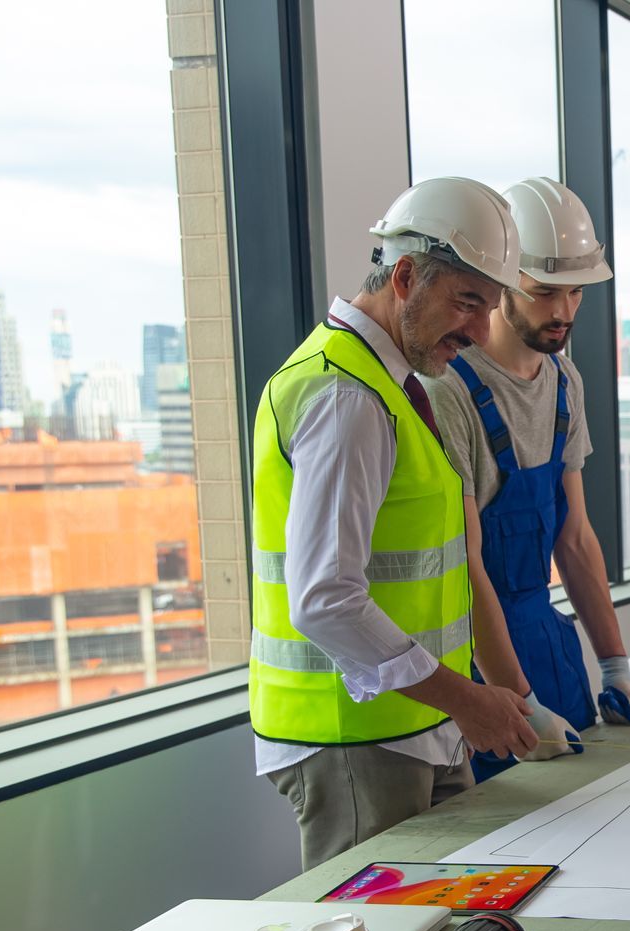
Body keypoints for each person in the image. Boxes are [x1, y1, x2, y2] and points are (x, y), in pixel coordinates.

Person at [250, 177, 539, 871]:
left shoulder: (395, 386)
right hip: (354, 740)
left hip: (412, 727)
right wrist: (467, 699)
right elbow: (325, 599)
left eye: (489, 307)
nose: (475, 331)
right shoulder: (345, 395)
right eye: (466, 302)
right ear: (405, 276)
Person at [422, 176, 630, 781]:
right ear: (500, 286)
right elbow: (465, 565)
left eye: (576, 293)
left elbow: (573, 539)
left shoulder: (566, 383)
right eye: (545, 292)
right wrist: (516, 700)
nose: (563, 312)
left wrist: (614, 662)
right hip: (479, 661)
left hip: (548, 642)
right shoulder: (449, 392)